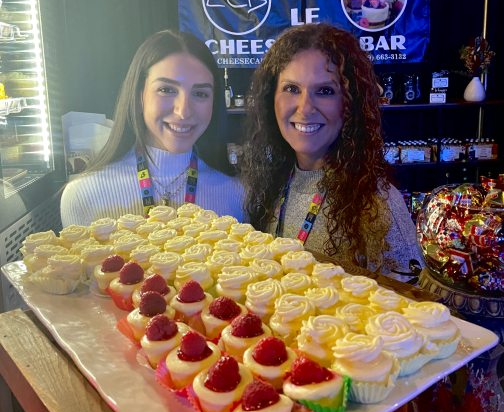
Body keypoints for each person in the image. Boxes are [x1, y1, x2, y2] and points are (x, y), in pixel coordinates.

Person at [239, 23, 420, 273]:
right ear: (272, 98)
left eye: (325, 91)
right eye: (292, 89)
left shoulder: (378, 204)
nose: (305, 108)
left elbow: (411, 307)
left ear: (350, 105)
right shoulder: (270, 184)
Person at [61, 30, 244, 225]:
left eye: (200, 94)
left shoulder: (236, 193)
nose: (184, 111)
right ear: (139, 97)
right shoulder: (82, 195)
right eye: (166, 90)